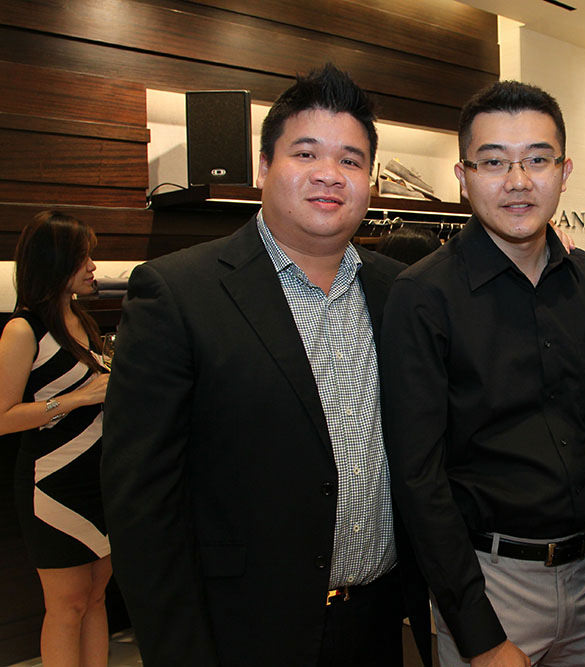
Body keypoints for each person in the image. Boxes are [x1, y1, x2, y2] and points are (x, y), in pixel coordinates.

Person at [101, 64, 429, 667]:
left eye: (351, 160)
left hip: (381, 623)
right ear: (262, 166)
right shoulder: (178, 293)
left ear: (370, 180)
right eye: (306, 153)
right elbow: (142, 508)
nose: (329, 173)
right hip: (245, 631)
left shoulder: (401, 291)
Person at [381, 81, 585, 667]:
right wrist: (479, 633)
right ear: (462, 177)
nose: (518, 181)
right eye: (493, 162)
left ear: (564, 172)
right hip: (492, 583)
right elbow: (418, 477)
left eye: (538, 160)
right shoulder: (423, 295)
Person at [0, 210, 112, 667]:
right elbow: (3, 417)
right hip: (53, 485)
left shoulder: (82, 320)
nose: (92, 266)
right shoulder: (22, 330)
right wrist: (78, 398)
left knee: (96, 597)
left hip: (99, 481)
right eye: (83, 257)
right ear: (55, 261)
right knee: (67, 605)